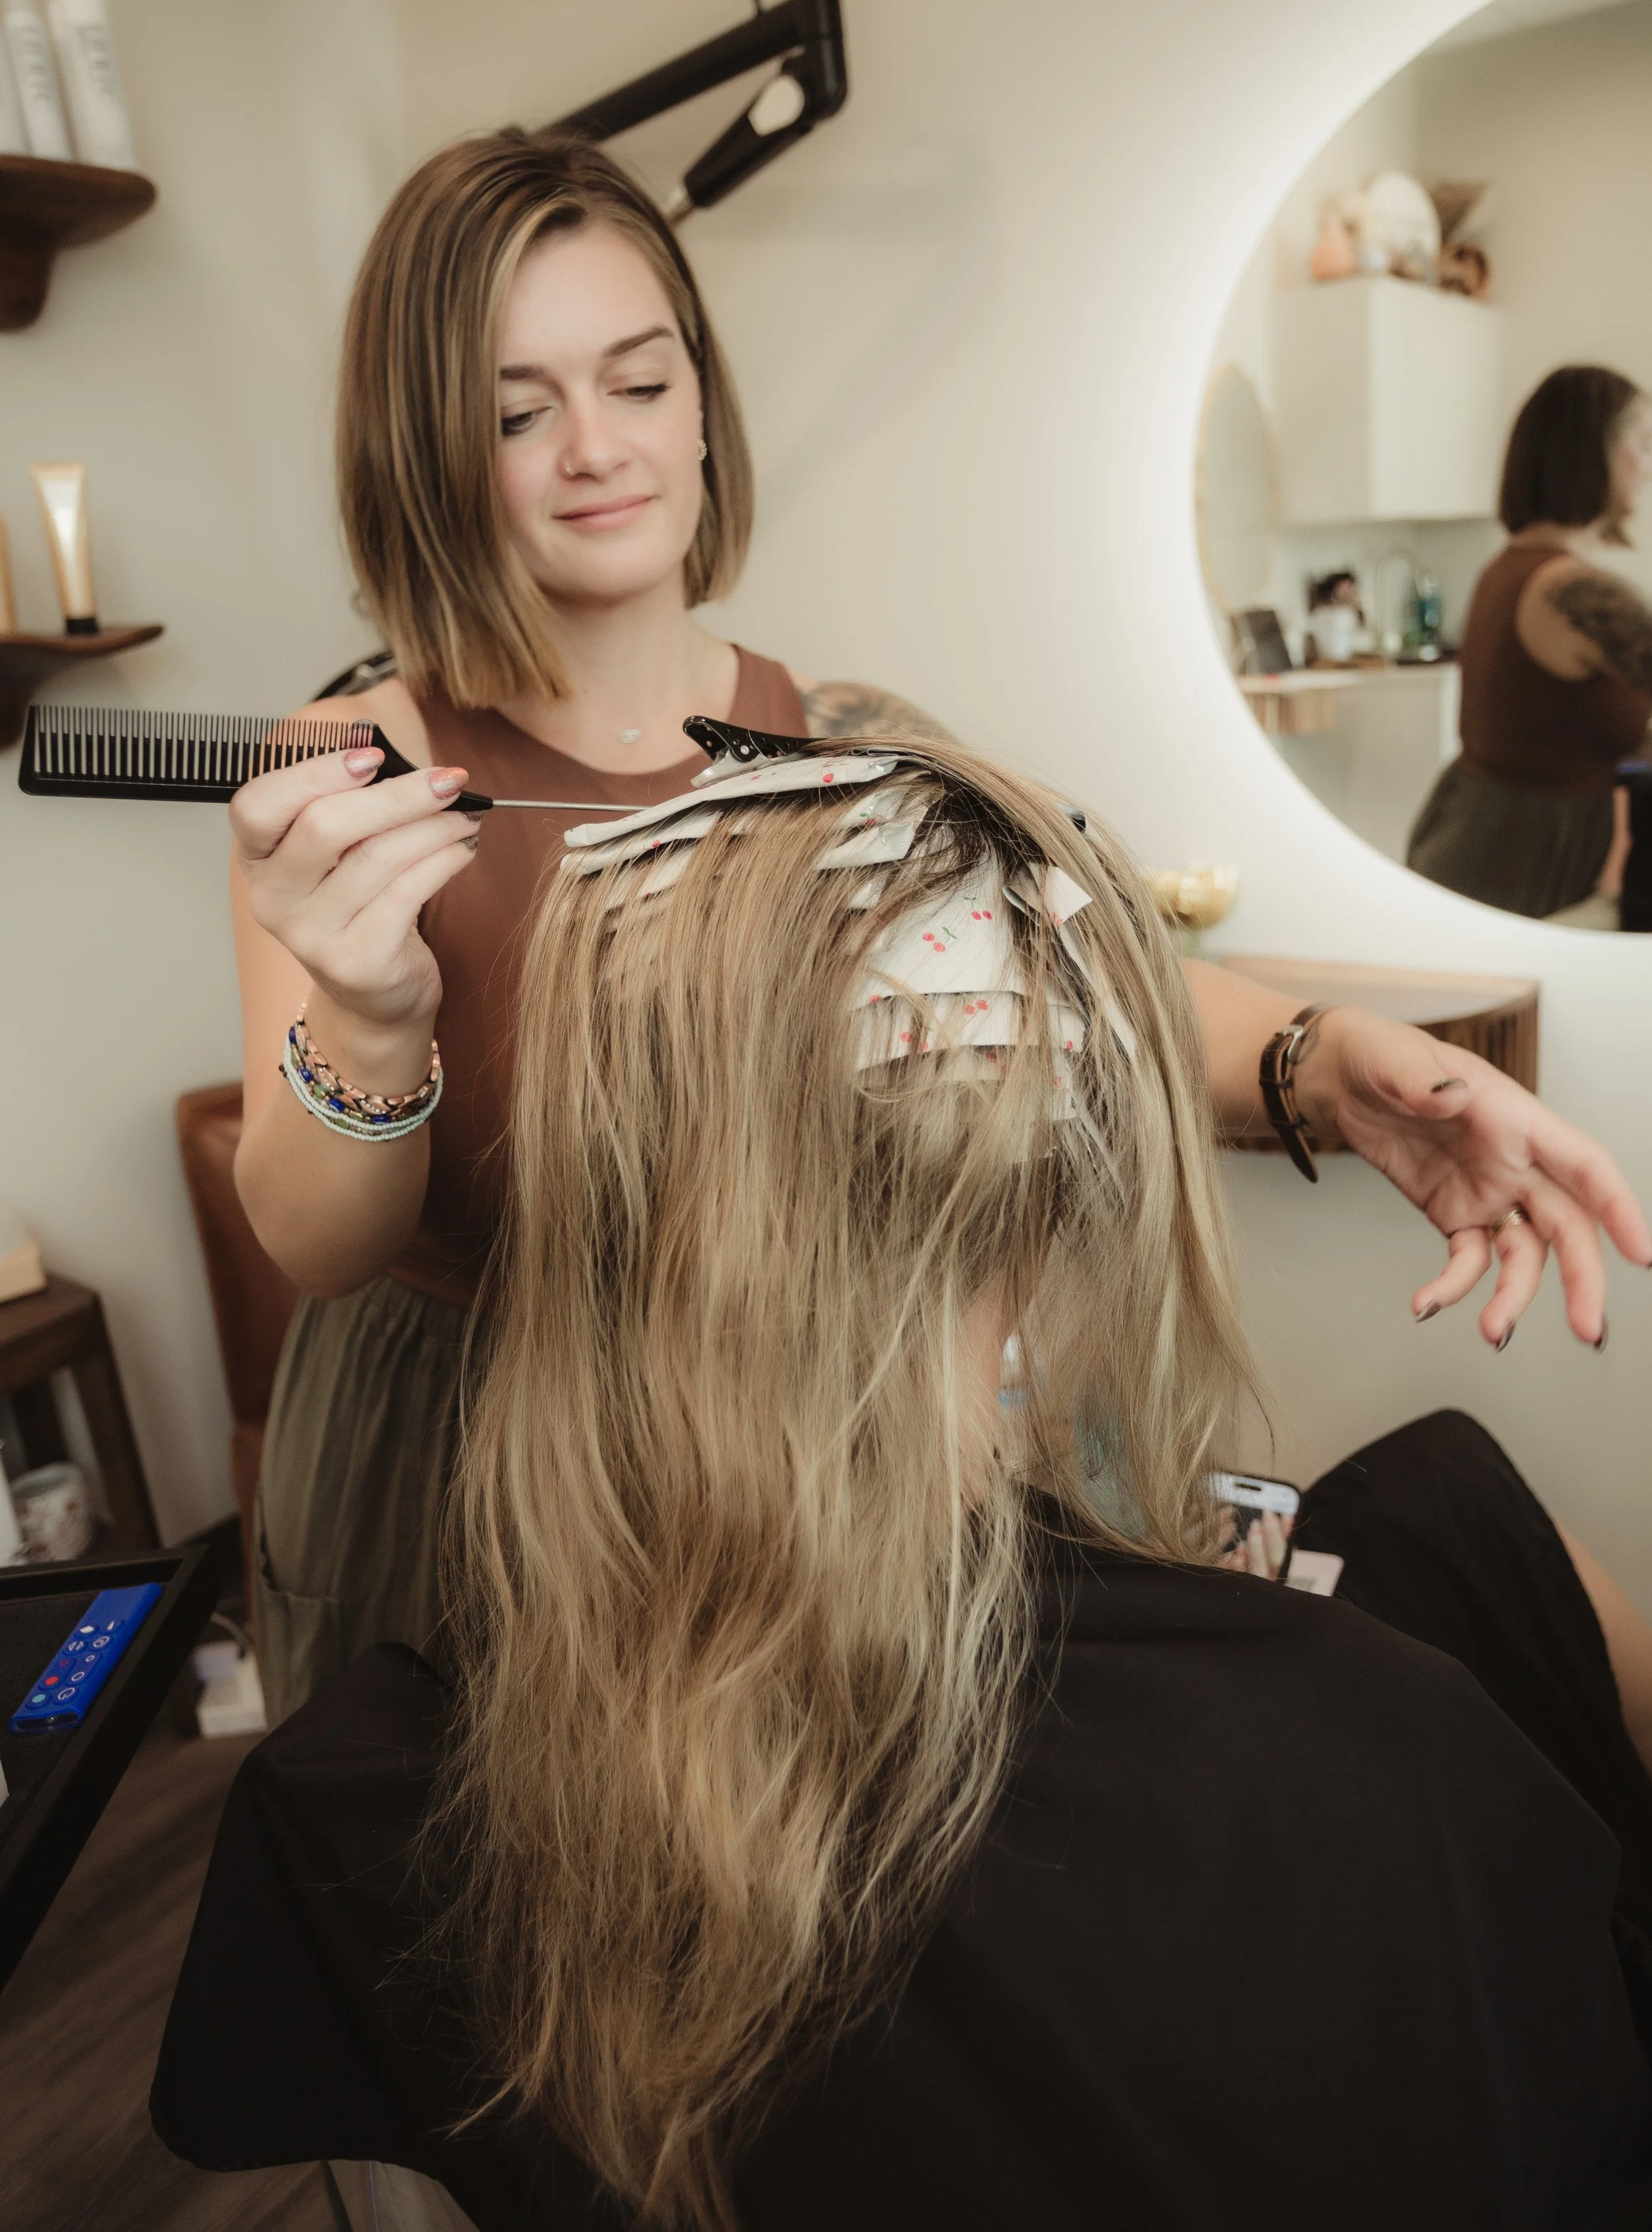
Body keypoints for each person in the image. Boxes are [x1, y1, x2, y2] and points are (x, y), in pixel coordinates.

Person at [233, 141, 1652, 1728]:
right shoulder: (349, 762)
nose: (594, 449)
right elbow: (314, 1240)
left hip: (772, 1466)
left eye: (638, 380)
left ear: (701, 398)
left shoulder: (844, 736)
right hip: (467, 1472)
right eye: (514, 411)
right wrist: (365, 1020)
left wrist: (1332, 1065)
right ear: (424, 444)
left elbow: (1103, 972)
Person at [160, 744, 1652, 2231]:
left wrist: (1314, 1056)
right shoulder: (1392, 1748)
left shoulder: (355, 1801)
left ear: (607, 1169)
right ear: (1074, 1169)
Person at [1408, 364, 1652, 917]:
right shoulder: (1573, 591)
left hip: (1476, 837)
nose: (1650, 465)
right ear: (1590, 453)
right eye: (1643, 442)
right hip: (1517, 860)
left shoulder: (1511, 567)